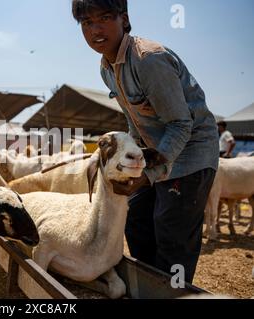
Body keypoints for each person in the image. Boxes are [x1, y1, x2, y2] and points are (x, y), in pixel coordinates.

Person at [72, 0, 219, 283]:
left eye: (104, 18)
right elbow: (135, 121)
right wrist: (136, 161)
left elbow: (180, 124)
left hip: (191, 154)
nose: (95, 29)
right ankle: (149, 284)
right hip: (160, 152)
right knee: (136, 215)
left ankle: (171, 289)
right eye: (86, 23)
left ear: (124, 19)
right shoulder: (107, 68)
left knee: (171, 230)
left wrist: (150, 172)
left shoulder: (148, 60)